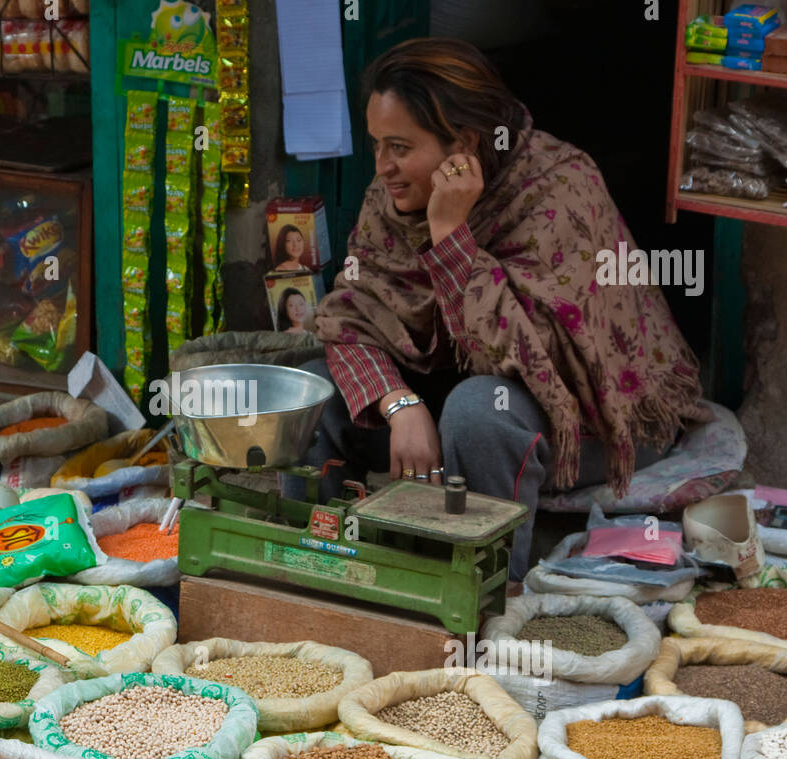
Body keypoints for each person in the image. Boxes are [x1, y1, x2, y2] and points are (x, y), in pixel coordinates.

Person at [302, 37, 710, 580]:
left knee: (478, 412)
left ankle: (482, 594)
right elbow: (351, 313)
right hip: (453, 392)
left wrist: (450, 235)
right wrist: (400, 404)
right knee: (314, 390)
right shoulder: (392, 198)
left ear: (464, 142)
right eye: (377, 145)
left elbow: (524, 359)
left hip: (586, 412)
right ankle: (323, 570)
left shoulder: (559, 186)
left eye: (400, 147)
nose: (383, 168)